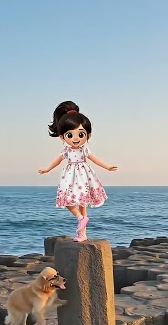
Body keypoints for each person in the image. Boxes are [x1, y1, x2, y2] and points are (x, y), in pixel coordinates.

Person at [37, 100, 118, 241]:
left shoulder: (84, 149)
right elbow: (57, 160)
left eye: (81, 134)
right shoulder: (66, 150)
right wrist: (47, 169)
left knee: (82, 204)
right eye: (70, 135)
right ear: (62, 137)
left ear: (88, 135)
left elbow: (95, 159)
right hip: (70, 177)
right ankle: (81, 219)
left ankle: (82, 233)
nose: (75, 139)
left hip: (83, 177)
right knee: (67, 200)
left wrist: (107, 167)